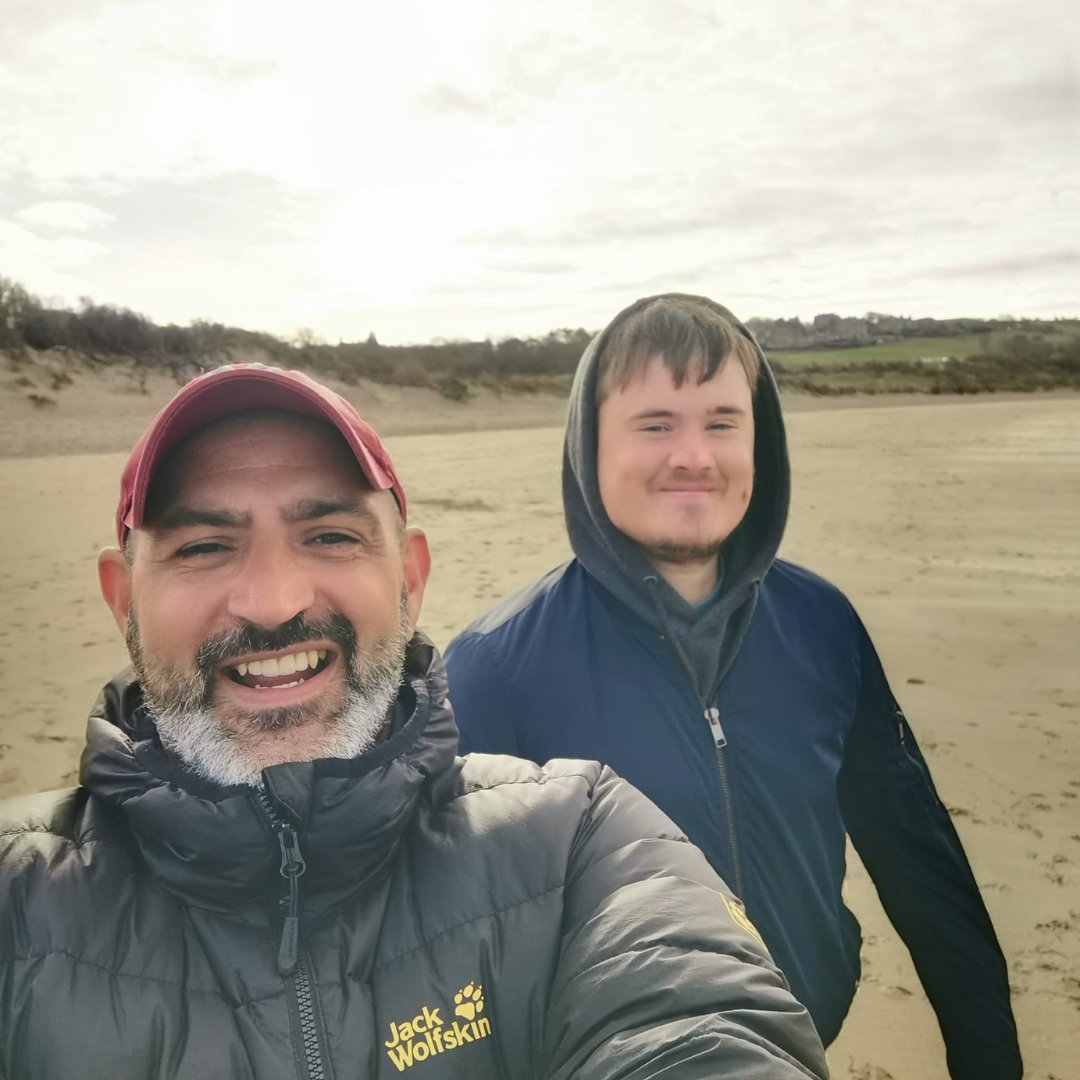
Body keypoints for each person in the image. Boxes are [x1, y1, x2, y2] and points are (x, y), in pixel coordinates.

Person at [0, 364, 828, 1079]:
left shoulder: (579, 845)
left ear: (411, 577)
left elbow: (699, 1024)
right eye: (202, 547)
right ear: (123, 600)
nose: (274, 600)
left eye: (329, 535)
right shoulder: (17, 899)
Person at [445, 294, 1023, 1078]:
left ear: (761, 442)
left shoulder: (821, 622)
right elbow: (450, 951)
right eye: (655, 425)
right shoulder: (494, 665)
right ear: (589, 445)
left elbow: (918, 857)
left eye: (722, 422)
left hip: (808, 1038)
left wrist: (989, 1058)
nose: (693, 456)